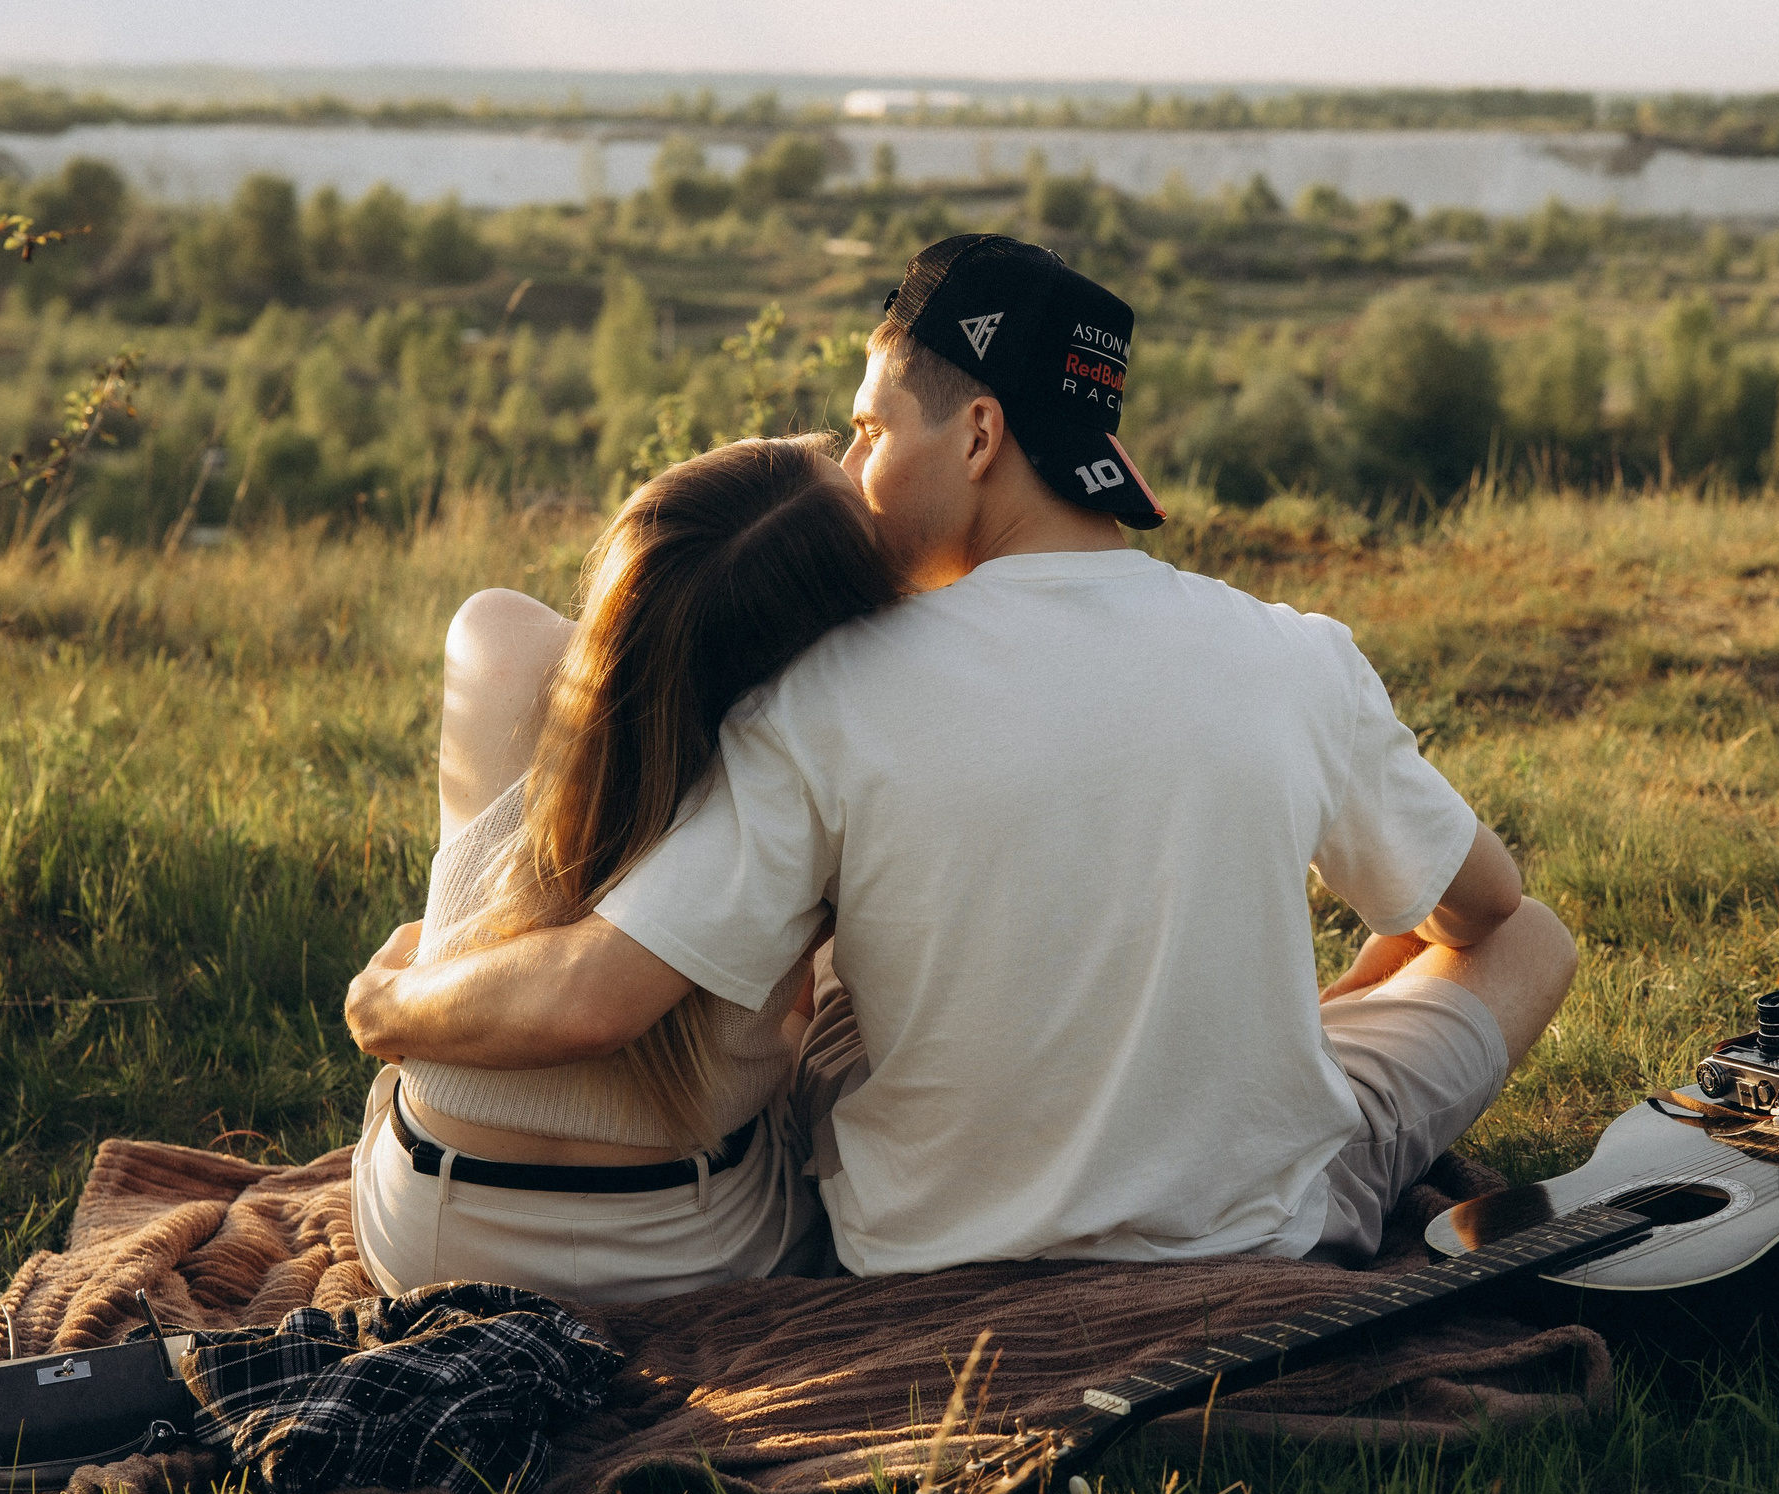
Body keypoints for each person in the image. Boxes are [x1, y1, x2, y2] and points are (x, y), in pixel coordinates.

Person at [349, 235, 1577, 1278]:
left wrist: (395, 1000)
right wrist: (1321, 1020)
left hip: (922, 1247)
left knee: (827, 958)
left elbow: (603, 991)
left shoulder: (824, 687)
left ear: (980, 433)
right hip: (1248, 1230)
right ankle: (1262, 1094)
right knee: (1533, 939)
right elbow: (1484, 910)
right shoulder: (1294, 655)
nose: (854, 473)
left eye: (872, 428)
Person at [349, 435, 903, 1304]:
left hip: (429, 1237)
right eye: (837, 448)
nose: (851, 443)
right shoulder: (813, 761)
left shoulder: (492, 637)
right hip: (688, 1253)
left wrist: (379, 1002)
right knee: (830, 991)